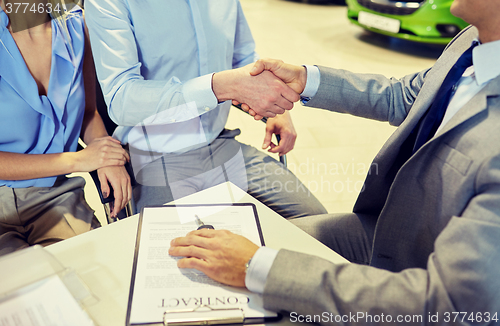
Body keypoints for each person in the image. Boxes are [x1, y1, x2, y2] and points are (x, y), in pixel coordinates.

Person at [169, 0, 500, 322]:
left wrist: (254, 268)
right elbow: (405, 95)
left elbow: (447, 305)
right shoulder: (472, 40)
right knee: (257, 244)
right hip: (388, 230)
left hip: (422, 280)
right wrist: (305, 79)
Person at [84, 0, 327, 219]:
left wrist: (276, 107)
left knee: (318, 224)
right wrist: (217, 87)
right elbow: (121, 99)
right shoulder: (110, 2)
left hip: (220, 142)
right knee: (176, 260)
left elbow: (243, 58)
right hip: (154, 156)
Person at [0, 0, 131, 256]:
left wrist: (105, 154)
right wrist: (77, 161)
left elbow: (88, 113)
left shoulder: (75, 24)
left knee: (95, 279)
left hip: (56, 196)